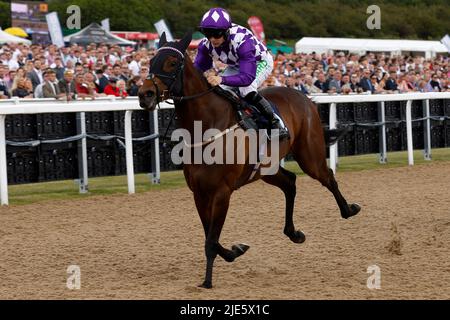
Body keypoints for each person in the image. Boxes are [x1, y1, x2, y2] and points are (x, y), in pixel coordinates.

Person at [194, 7, 289, 139]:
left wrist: (221, 79)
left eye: (216, 34)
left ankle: (275, 122)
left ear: (226, 32)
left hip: (259, 61)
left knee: (246, 90)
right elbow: (197, 70)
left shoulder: (243, 41)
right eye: (208, 34)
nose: (212, 39)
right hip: (236, 65)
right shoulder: (205, 45)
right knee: (217, 91)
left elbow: (247, 77)